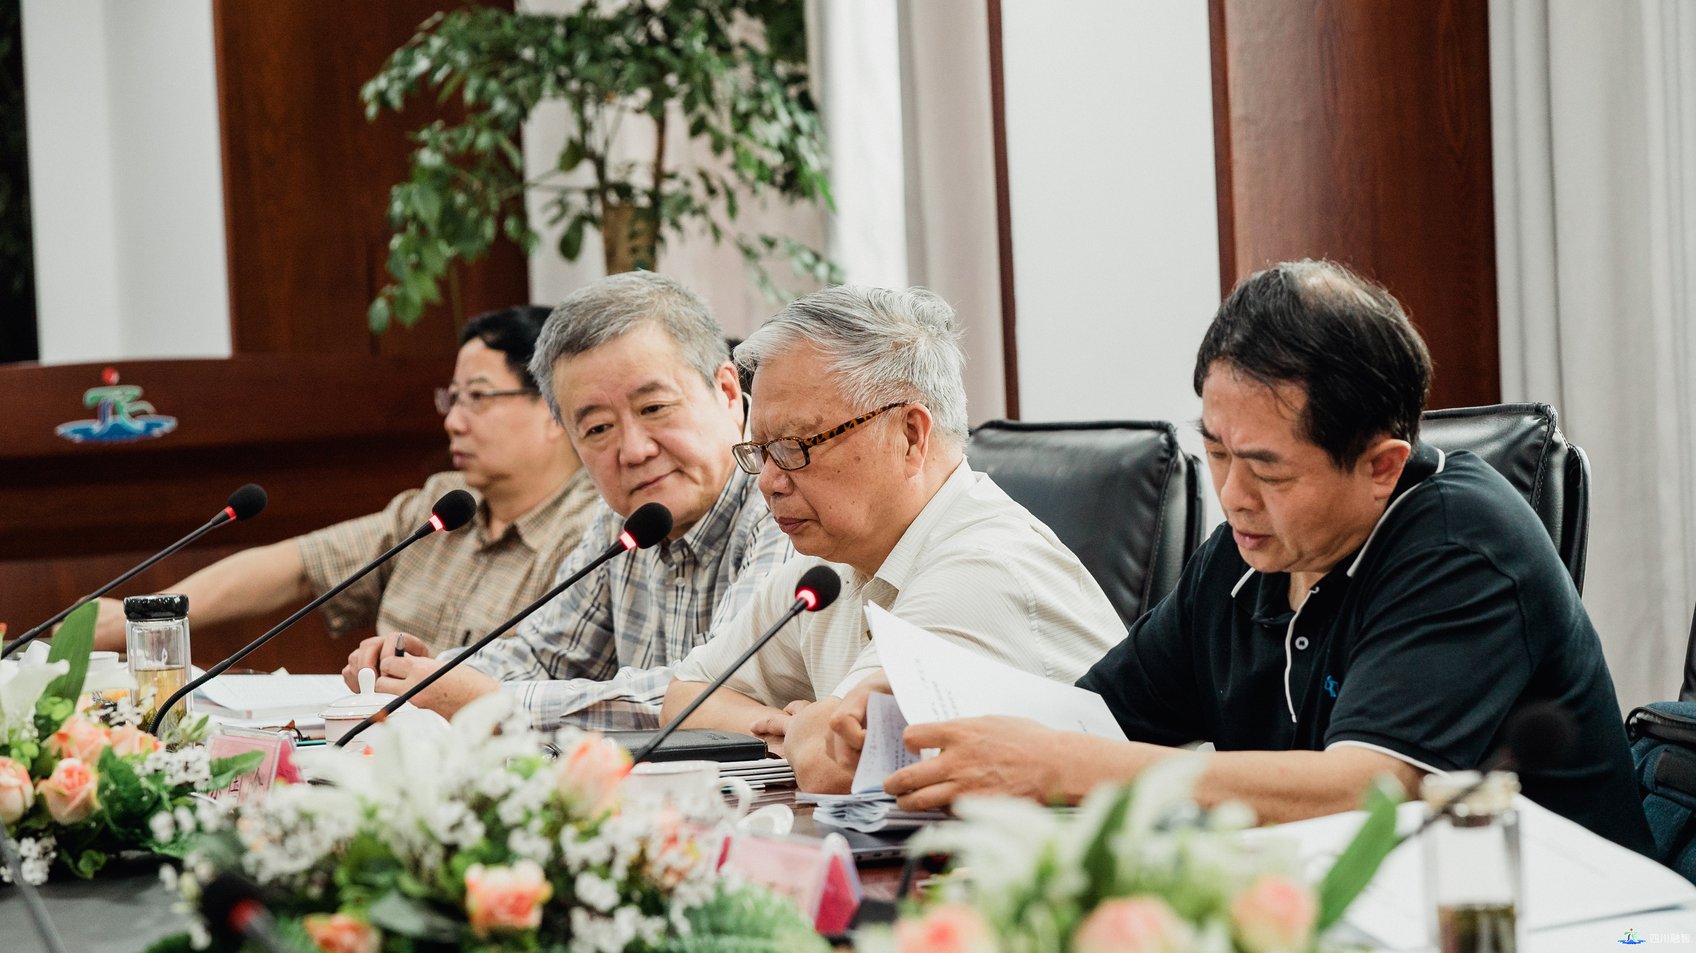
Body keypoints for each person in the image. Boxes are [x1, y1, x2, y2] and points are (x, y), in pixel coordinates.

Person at [870, 260, 1654, 854]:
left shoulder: (1464, 544)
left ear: (1381, 466)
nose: (1233, 495)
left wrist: (1061, 765)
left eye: (1268, 470)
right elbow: (1098, 718)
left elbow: (1366, 788)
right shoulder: (1243, 556)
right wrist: (910, 731)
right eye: (1215, 451)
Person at [660, 286, 1121, 791]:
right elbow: (685, 700)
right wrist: (794, 730)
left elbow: (833, 768)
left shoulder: (986, 568)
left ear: (910, 436)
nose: (769, 481)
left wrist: (809, 736)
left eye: (795, 445)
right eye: (762, 451)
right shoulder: (829, 572)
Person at [344, 272, 792, 729]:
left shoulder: (783, 501)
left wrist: (492, 702)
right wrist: (433, 673)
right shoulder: (625, 519)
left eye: (654, 408)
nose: (634, 451)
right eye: (598, 428)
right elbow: (545, 655)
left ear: (727, 392)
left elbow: (713, 694)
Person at [90, 307, 599, 656]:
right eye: (453, 398)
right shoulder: (443, 503)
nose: (453, 421)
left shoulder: (589, 535)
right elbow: (299, 565)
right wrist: (147, 616)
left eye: (478, 398)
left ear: (554, 409)